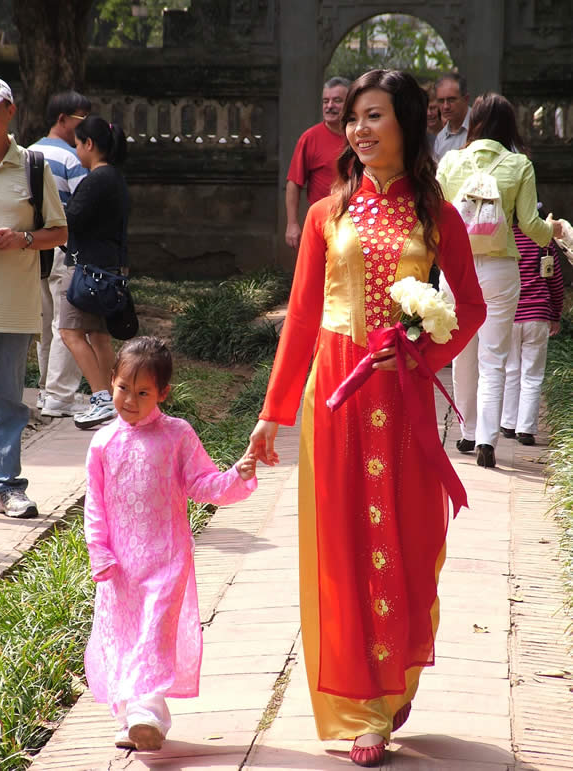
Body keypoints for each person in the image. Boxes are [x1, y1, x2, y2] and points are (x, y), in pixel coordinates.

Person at [248, 69, 486, 767]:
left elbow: (468, 305)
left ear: (406, 123)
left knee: (409, 538)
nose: (359, 129)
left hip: (403, 399)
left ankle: (397, 668)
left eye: (374, 115)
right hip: (338, 401)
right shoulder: (328, 211)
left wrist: (421, 350)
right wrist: (273, 413)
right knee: (345, 543)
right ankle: (363, 707)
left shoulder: (435, 214)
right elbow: (302, 317)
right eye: (354, 117)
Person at [84, 336, 257, 751]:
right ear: (112, 382)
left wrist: (238, 473)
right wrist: (100, 552)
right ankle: (131, 720)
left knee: (155, 635)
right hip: (121, 568)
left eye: (143, 392)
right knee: (126, 638)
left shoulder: (177, 435)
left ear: (162, 393)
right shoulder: (103, 443)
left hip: (167, 560)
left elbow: (203, 483)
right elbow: (95, 506)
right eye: (124, 388)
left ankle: (147, 716)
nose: (130, 399)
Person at [437, 93, 563, 468]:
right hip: (500, 269)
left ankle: (467, 431)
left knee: (463, 353)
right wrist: (554, 230)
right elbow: (532, 228)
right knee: (495, 357)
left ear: (473, 121)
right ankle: (488, 442)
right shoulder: (519, 165)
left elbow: (437, 216)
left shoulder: (450, 160)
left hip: (456, 269)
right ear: (509, 125)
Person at [0, 77, 67, 519]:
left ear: (10, 111)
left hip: (14, 304)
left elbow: (59, 232)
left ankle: (7, 485)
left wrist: (22, 238)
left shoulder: (33, 166)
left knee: (7, 398)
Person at [58, 115, 130, 429]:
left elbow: (70, 220)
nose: (76, 151)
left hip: (88, 269)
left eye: (76, 144)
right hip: (109, 267)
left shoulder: (96, 180)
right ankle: (119, 399)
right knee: (99, 336)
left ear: (89, 144)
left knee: (70, 331)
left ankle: (102, 398)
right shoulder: (116, 178)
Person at [30, 91, 90, 418]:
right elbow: (83, 208)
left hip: (32, 248)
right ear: (62, 119)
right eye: (82, 119)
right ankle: (60, 395)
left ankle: (44, 391)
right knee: (66, 322)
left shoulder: (26, 153)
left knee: (44, 321)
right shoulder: (72, 159)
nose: (86, 127)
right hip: (64, 249)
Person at [500, 224, 564, 445]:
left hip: (508, 313)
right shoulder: (542, 239)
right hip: (538, 314)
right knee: (532, 374)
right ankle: (526, 429)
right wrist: (555, 314)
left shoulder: (502, 238)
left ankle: (508, 423)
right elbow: (555, 281)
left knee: (511, 370)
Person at [285, 76, 350, 249]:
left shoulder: (360, 136)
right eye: (325, 101)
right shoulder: (310, 138)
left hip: (359, 223)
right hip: (323, 224)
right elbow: (294, 183)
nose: (329, 106)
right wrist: (292, 224)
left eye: (337, 101)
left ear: (350, 103)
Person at [433, 73, 471, 161]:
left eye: (451, 100)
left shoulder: (483, 126)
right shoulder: (440, 138)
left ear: (466, 99)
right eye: (441, 101)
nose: (446, 106)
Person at [424, 83, 443, 151]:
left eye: (433, 108)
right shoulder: (418, 136)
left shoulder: (451, 133)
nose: (428, 113)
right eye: (424, 109)